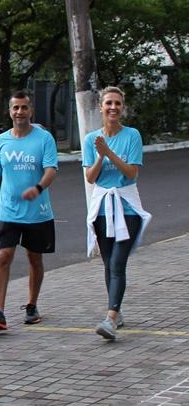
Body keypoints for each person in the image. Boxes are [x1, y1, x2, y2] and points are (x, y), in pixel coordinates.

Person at [0, 91, 58, 330]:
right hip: (8, 210)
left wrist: (38, 188)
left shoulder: (44, 138)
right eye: (15, 108)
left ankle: (32, 305)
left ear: (31, 111)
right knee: (3, 256)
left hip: (38, 212)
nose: (20, 112)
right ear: (10, 112)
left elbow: (51, 170)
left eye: (24, 107)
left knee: (34, 258)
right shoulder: (1, 141)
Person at [83, 87, 152, 341]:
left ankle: (110, 318)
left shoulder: (132, 136)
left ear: (123, 107)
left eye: (118, 103)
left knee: (117, 262)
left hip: (127, 205)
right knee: (108, 262)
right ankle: (116, 311)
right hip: (102, 206)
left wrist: (109, 153)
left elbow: (132, 173)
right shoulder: (91, 139)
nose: (113, 107)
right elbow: (90, 177)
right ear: (101, 107)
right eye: (109, 103)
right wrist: (100, 156)